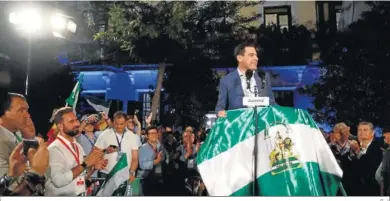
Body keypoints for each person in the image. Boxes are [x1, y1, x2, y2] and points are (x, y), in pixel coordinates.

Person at [45, 107, 107, 196]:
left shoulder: (77, 146)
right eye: (71, 121)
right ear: (60, 126)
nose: (77, 124)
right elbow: (59, 181)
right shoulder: (55, 149)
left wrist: (93, 167)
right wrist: (85, 164)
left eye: (76, 120)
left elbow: (82, 173)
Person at [215, 42, 276, 118]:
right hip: (239, 126)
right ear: (240, 58)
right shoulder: (227, 80)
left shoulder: (263, 77)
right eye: (251, 55)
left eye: (256, 55)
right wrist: (219, 113)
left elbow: (272, 104)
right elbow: (220, 107)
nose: (256, 59)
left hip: (261, 125)